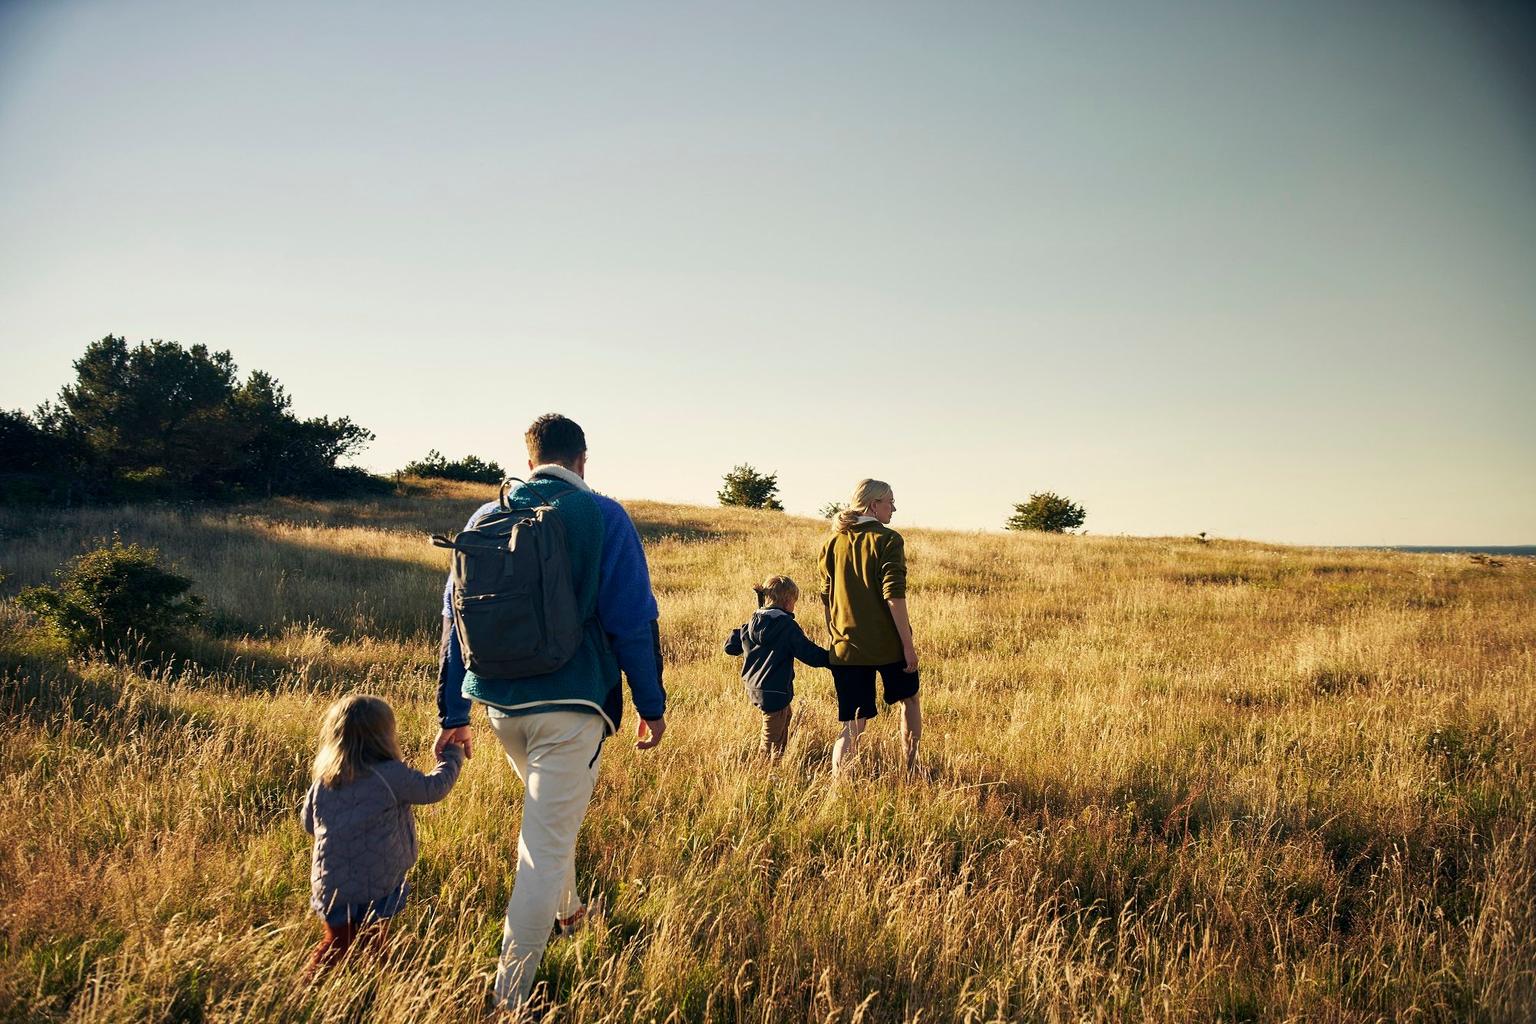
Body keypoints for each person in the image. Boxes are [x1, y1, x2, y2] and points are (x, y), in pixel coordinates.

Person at [435, 413, 667, 1013]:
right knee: (541, 846)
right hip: (573, 705)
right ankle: (508, 996)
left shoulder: (484, 517)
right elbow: (632, 620)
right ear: (582, 460)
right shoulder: (602, 515)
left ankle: (568, 914)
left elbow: (454, 618)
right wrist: (651, 704)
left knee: (550, 824)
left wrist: (452, 710)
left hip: (498, 706)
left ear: (529, 456)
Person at [300, 693, 464, 978]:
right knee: (367, 943)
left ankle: (353, 988)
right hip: (378, 884)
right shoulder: (390, 775)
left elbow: (309, 824)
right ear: (385, 736)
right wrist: (452, 757)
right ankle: (364, 987)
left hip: (331, 884)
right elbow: (434, 788)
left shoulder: (324, 780)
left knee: (340, 943)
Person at [818, 479, 922, 774]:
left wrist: (835, 636)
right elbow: (894, 596)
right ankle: (911, 769)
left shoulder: (831, 543)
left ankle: (840, 786)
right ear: (874, 505)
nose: (894, 507)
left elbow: (826, 600)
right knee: (910, 701)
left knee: (853, 723)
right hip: (889, 645)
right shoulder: (889, 540)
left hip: (846, 648)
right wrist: (907, 645)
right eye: (890, 501)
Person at [723, 574, 830, 759]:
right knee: (770, 740)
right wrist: (833, 659)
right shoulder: (786, 626)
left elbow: (730, 647)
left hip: (756, 688)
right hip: (776, 690)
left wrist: (748, 633)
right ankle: (766, 774)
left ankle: (781, 758)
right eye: (794, 602)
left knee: (786, 716)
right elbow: (809, 653)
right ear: (788, 601)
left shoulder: (752, 623)